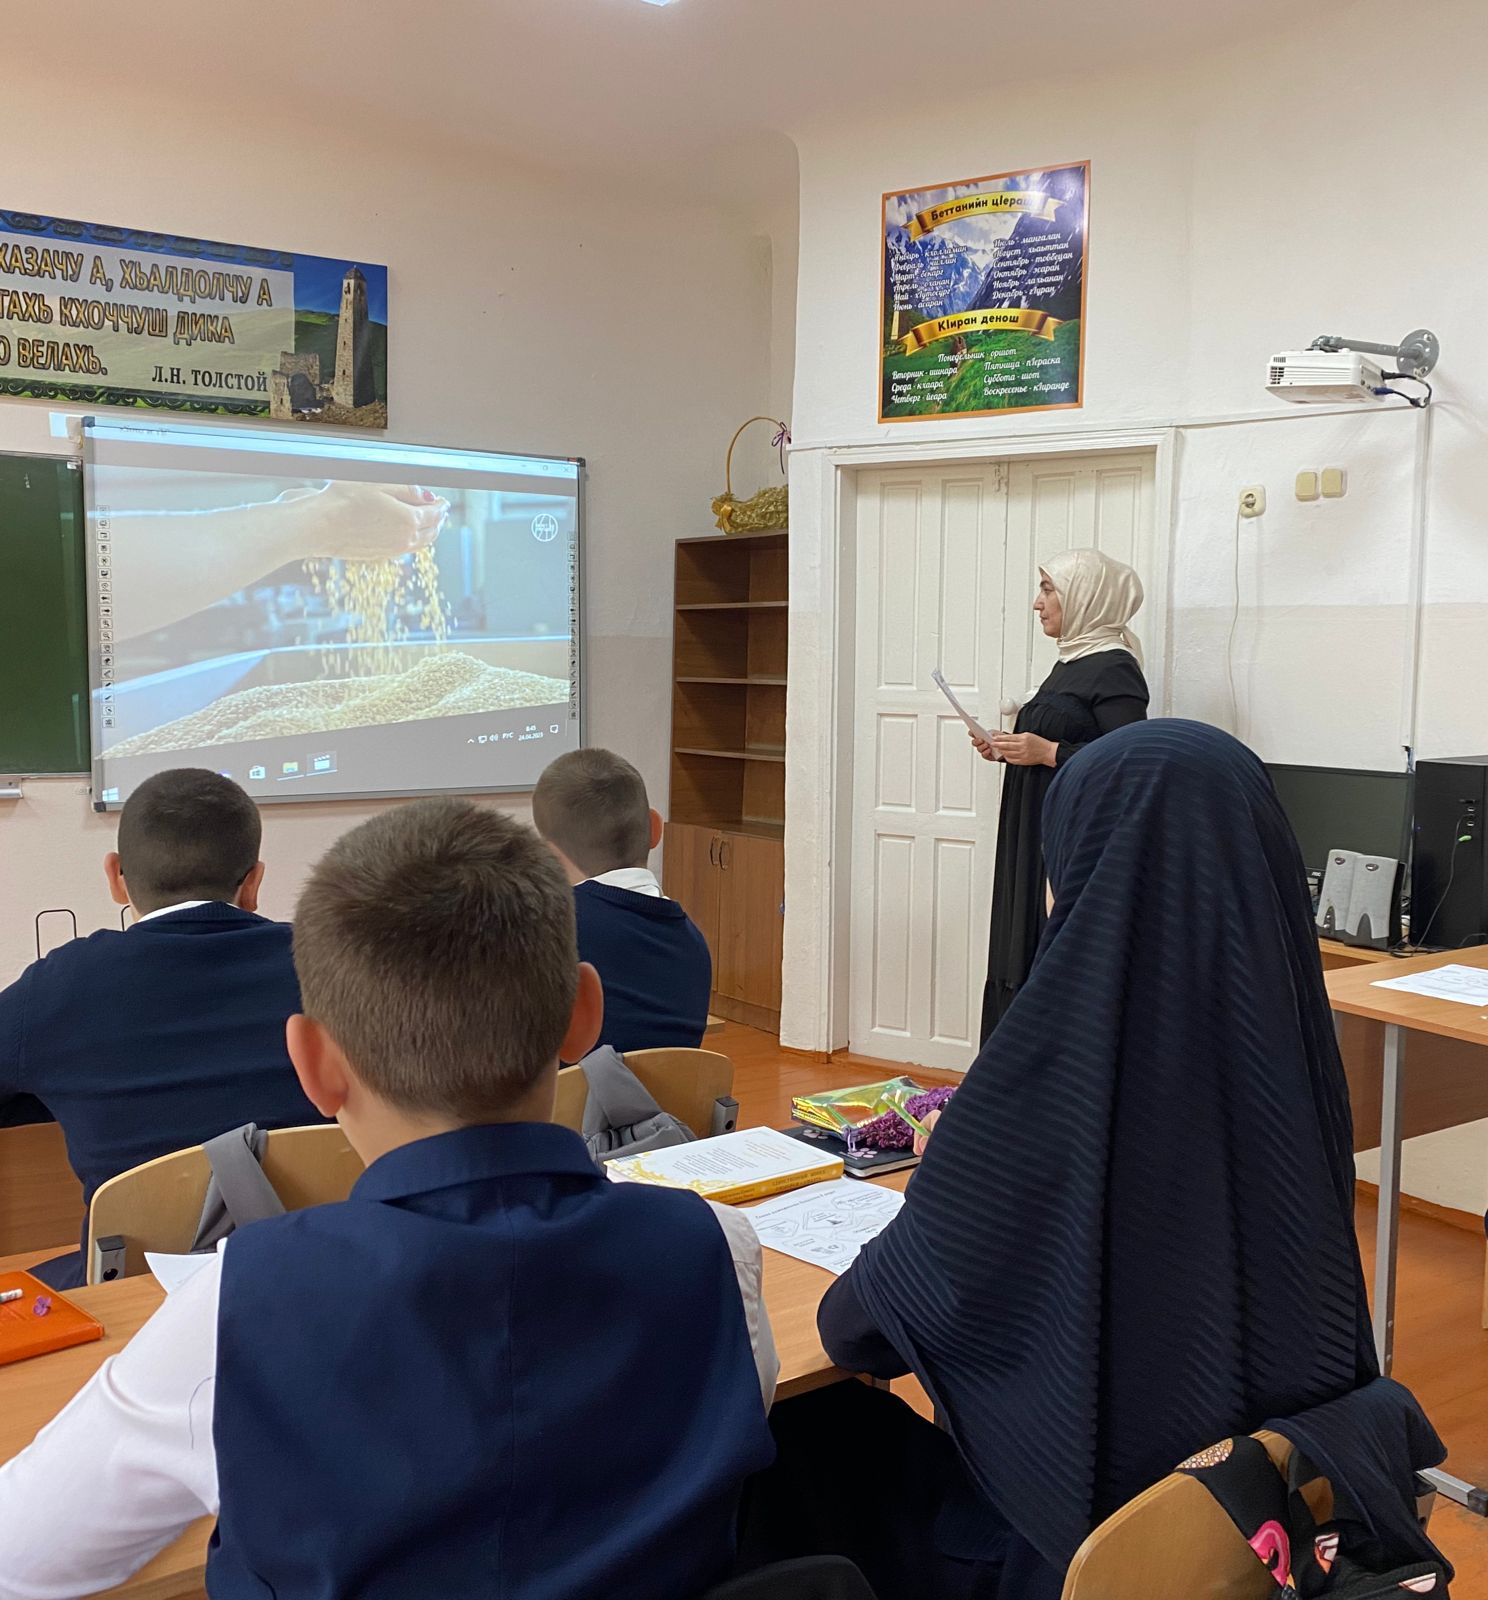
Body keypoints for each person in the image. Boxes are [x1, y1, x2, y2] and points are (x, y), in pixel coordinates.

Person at [0, 799, 777, 1600]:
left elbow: (18, 1558)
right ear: (585, 1016)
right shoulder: (721, 1249)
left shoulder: (236, 1310)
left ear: (313, 1066)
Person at [809, 721, 1378, 1598]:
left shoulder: (1035, 1092)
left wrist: (943, 1195)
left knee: (810, 1441)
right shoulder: (1300, 1070)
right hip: (1262, 1546)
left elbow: (857, 1333)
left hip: (1070, 1552)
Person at [0, 768, 320, 1288]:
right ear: (254, 882)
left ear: (116, 877)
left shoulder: (61, 986)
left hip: (131, 1290)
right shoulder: (333, 965)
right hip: (316, 1275)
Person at [974, 547, 1148, 1040]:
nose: (1038, 602)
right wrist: (1007, 749)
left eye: (1048, 589)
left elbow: (1127, 764)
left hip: (1069, 834)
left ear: (1087, 596)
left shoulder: (1114, 668)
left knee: (1047, 946)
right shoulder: (1070, 661)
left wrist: (1048, 752)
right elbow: (1061, 740)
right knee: (1019, 939)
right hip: (1031, 823)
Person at [533, 747, 712, 1054]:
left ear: (548, 855)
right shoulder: (694, 943)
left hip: (571, 1088)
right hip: (673, 1089)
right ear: (655, 828)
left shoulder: (551, 928)